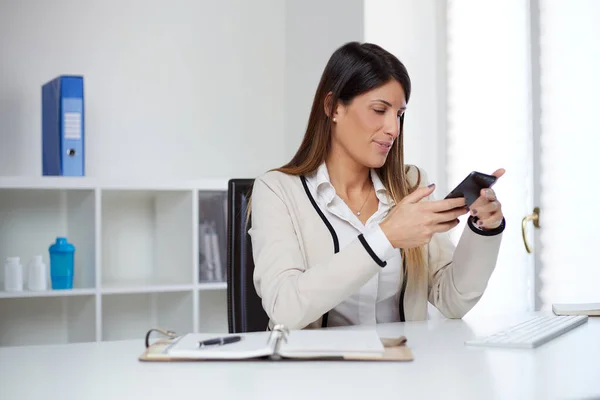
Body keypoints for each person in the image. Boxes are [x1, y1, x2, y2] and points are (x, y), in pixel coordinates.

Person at [248, 42, 505, 330]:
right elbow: (285, 309)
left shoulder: (410, 184)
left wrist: (485, 229)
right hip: (317, 372)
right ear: (332, 107)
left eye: (398, 114)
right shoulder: (277, 191)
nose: (393, 129)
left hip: (402, 367)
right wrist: (385, 237)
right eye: (379, 110)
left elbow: (452, 301)